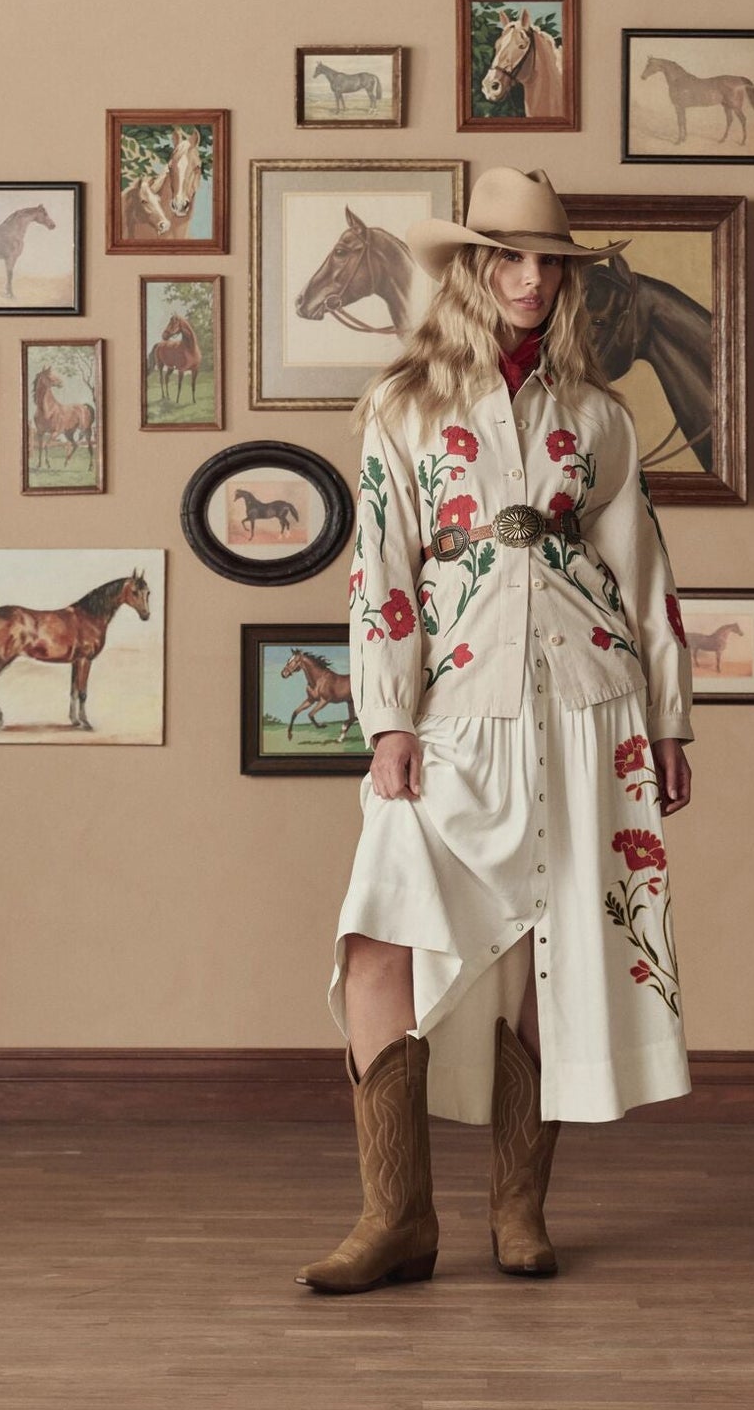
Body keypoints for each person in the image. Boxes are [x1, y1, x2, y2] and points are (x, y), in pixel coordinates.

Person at [297, 167, 695, 1295]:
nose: (529, 279)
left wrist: (668, 722)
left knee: (544, 950)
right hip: (455, 708)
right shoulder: (402, 406)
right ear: (470, 268)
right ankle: (396, 1219)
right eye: (507, 258)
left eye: (547, 262)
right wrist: (385, 720)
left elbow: (647, 573)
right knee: (379, 947)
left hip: (587, 699)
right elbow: (378, 569)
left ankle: (519, 1211)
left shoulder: (599, 414)